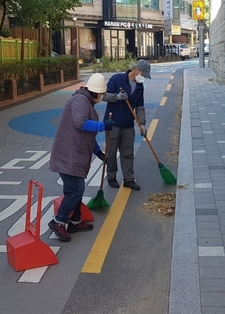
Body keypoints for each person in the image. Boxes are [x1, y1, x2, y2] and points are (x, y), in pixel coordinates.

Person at [48, 73, 113, 242]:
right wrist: (103, 126)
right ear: (97, 93)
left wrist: (99, 153)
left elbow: (87, 136)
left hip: (75, 155)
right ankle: (59, 221)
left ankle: (74, 220)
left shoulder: (86, 102)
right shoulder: (80, 101)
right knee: (75, 190)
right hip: (67, 155)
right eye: (102, 94)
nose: (102, 97)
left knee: (76, 189)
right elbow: (81, 123)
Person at [102, 59, 151, 190]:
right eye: (143, 74)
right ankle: (111, 177)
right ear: (137, 70)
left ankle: (129, 179)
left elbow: (140, 106)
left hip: (128, 124)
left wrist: (142, 124)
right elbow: (104, 96)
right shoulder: (117, 79)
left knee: (128, 152)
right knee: (111, 152)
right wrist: (117, 97)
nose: (143, 78)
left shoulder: (139, 87)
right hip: (113, 123)